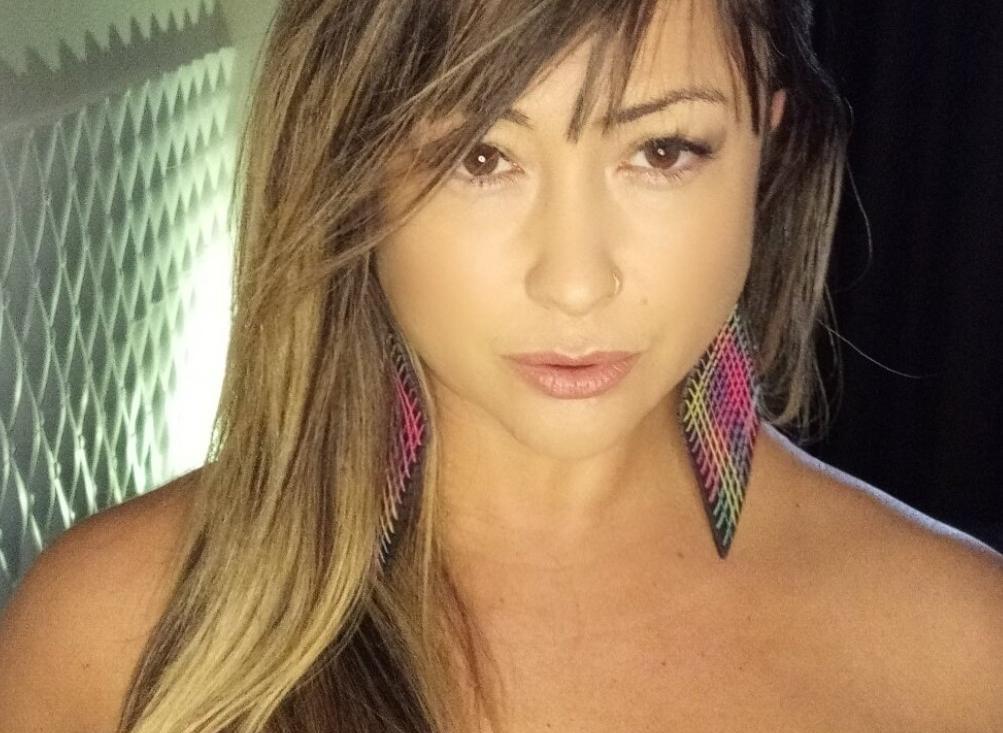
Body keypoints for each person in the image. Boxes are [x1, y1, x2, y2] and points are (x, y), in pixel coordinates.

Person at [1, 0, 1001, 731]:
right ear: (350, 171)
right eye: (478, 158)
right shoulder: (109, 630)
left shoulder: (963, 654)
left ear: (765, 153)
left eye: (662, 152)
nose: (575, 282)